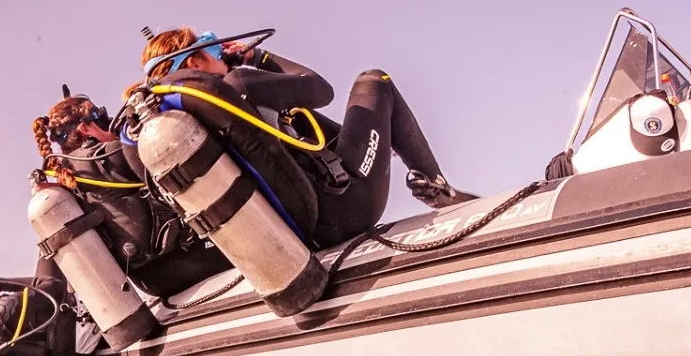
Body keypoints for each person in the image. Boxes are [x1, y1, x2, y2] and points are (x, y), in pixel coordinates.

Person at [137, 27, 478, 245]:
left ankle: (385, 150)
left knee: (298, 114)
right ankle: (436, 187)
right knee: (376, 81)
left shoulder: (184, 117)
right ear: (194, 63)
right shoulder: (236, 85)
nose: (220, 54)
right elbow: (320, 88)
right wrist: (258, 57)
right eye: (210, 48)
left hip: (303, 233)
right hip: (348, 206)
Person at [33, 92, 231, 297]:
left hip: (148, 281)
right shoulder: (110, 155)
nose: (109, 120)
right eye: (99, 115)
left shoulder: (65, 174)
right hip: (184, 260)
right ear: (86, 128)